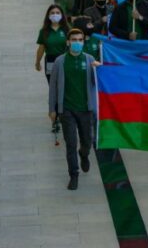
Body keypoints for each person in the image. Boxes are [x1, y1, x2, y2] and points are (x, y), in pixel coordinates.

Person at [49, 29, 101, 190]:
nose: (77, 42)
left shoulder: (90, 59)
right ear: (68, 42)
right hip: (67, 110)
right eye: (74, 39)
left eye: (80, 39)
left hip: (86, 109)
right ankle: (74, 174)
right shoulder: (60, 61)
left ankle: (84, 154)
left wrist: (99, 69)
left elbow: (97, 83)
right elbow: (53, 87)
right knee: (70, 143)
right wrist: (52, 108)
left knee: (87, 141)